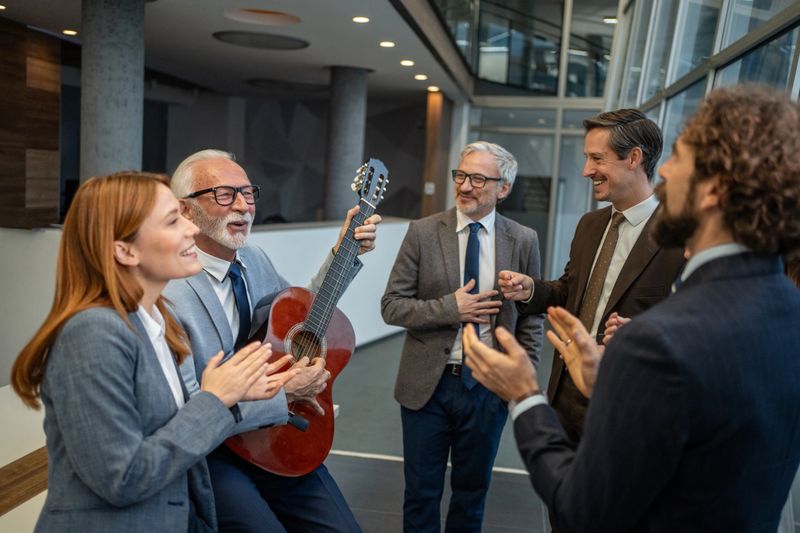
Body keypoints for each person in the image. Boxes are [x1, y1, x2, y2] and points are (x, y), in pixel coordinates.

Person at [463, 85, 800, 532]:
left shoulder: (661, 341)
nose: (666, 173)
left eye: (679, 158)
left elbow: (584, 506)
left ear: (714, 190)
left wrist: (524, 394)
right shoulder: (787, 308)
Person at [11, 172, 295, 532]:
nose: (192, 229)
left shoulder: (157, 322)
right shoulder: (93, 332)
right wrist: (215, 400)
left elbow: (169, 430)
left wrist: (234, 395)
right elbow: (123, 478)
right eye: (173, 221)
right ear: (125, 250)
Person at [164, 149, 380, 532]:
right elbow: (185, 407)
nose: (243, 206)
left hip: (276, 439)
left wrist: (343, 251)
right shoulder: (168, 292)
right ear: (185, 210)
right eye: (225, 194)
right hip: (214, 451)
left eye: (248, 193)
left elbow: (301, 314)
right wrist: (284, 394)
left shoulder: (254, 258)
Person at [381, 141, 543, 532]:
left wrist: (519, 378)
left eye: (478, 179)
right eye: (461, 175)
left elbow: (531, 316)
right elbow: (392, 306)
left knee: (472, 495)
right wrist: (451, 309)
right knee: (421, 494)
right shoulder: (422, 233)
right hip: (427, 387)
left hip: (487, 388)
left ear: (503, 188)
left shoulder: (523, 239)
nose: (465, 186)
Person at [498, 108, 684, 444]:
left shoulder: (679, 237)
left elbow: (689, 326)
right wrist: (531, 290)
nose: (586, 171)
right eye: (586, 158)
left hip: (625, 401)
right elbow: (570, 291)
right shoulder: (590, 225)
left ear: (634, 158)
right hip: (564, 392)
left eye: (597, 159)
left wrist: (637, 336)